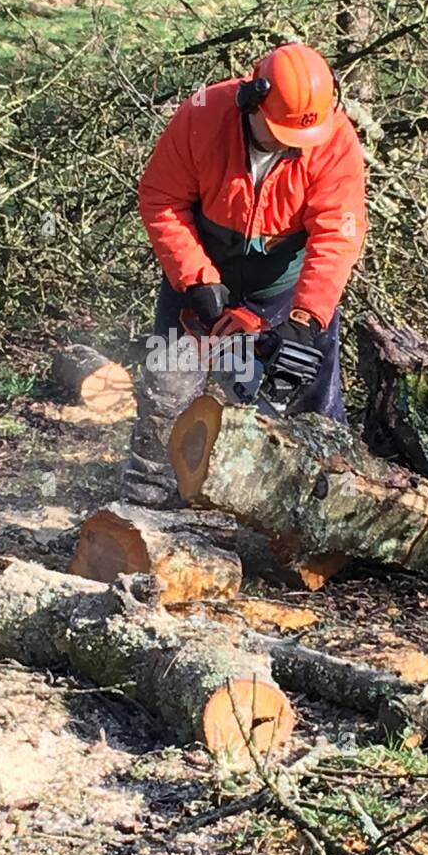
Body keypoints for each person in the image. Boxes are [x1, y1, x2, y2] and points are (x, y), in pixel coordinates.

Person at [119, 41, 367, 507]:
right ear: (251, 101)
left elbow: (338, 233)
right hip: (201, 269)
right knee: (170, 380)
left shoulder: (333, 138)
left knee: (306, 387)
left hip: (286, 283)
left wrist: (306, 318)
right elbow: (160, 198)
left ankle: (324, 505)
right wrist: (196, 278)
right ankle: (146, 496)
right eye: (281, 132)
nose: (292, 144)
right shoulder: (202, 115)